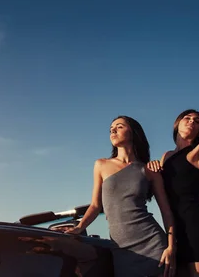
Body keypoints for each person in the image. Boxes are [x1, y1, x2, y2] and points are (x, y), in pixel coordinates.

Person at [66, 116, 176, 277]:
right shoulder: (101, 165)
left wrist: (171, 247)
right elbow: (96, 206)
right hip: (122, 250)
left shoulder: (150, 170)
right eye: (111, 128)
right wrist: (79, 227)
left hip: (153, 244)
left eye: (119, 127)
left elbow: (166, 212)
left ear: (133, 132)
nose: (113, 130)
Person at [147, 104, 199, 277]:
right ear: (177, 124)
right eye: (187, 118)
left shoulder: (198, 153)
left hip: (198, 228)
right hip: (175, 231)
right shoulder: (167, 155)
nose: (191, 122)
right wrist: (151, 167)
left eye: (197, 121)